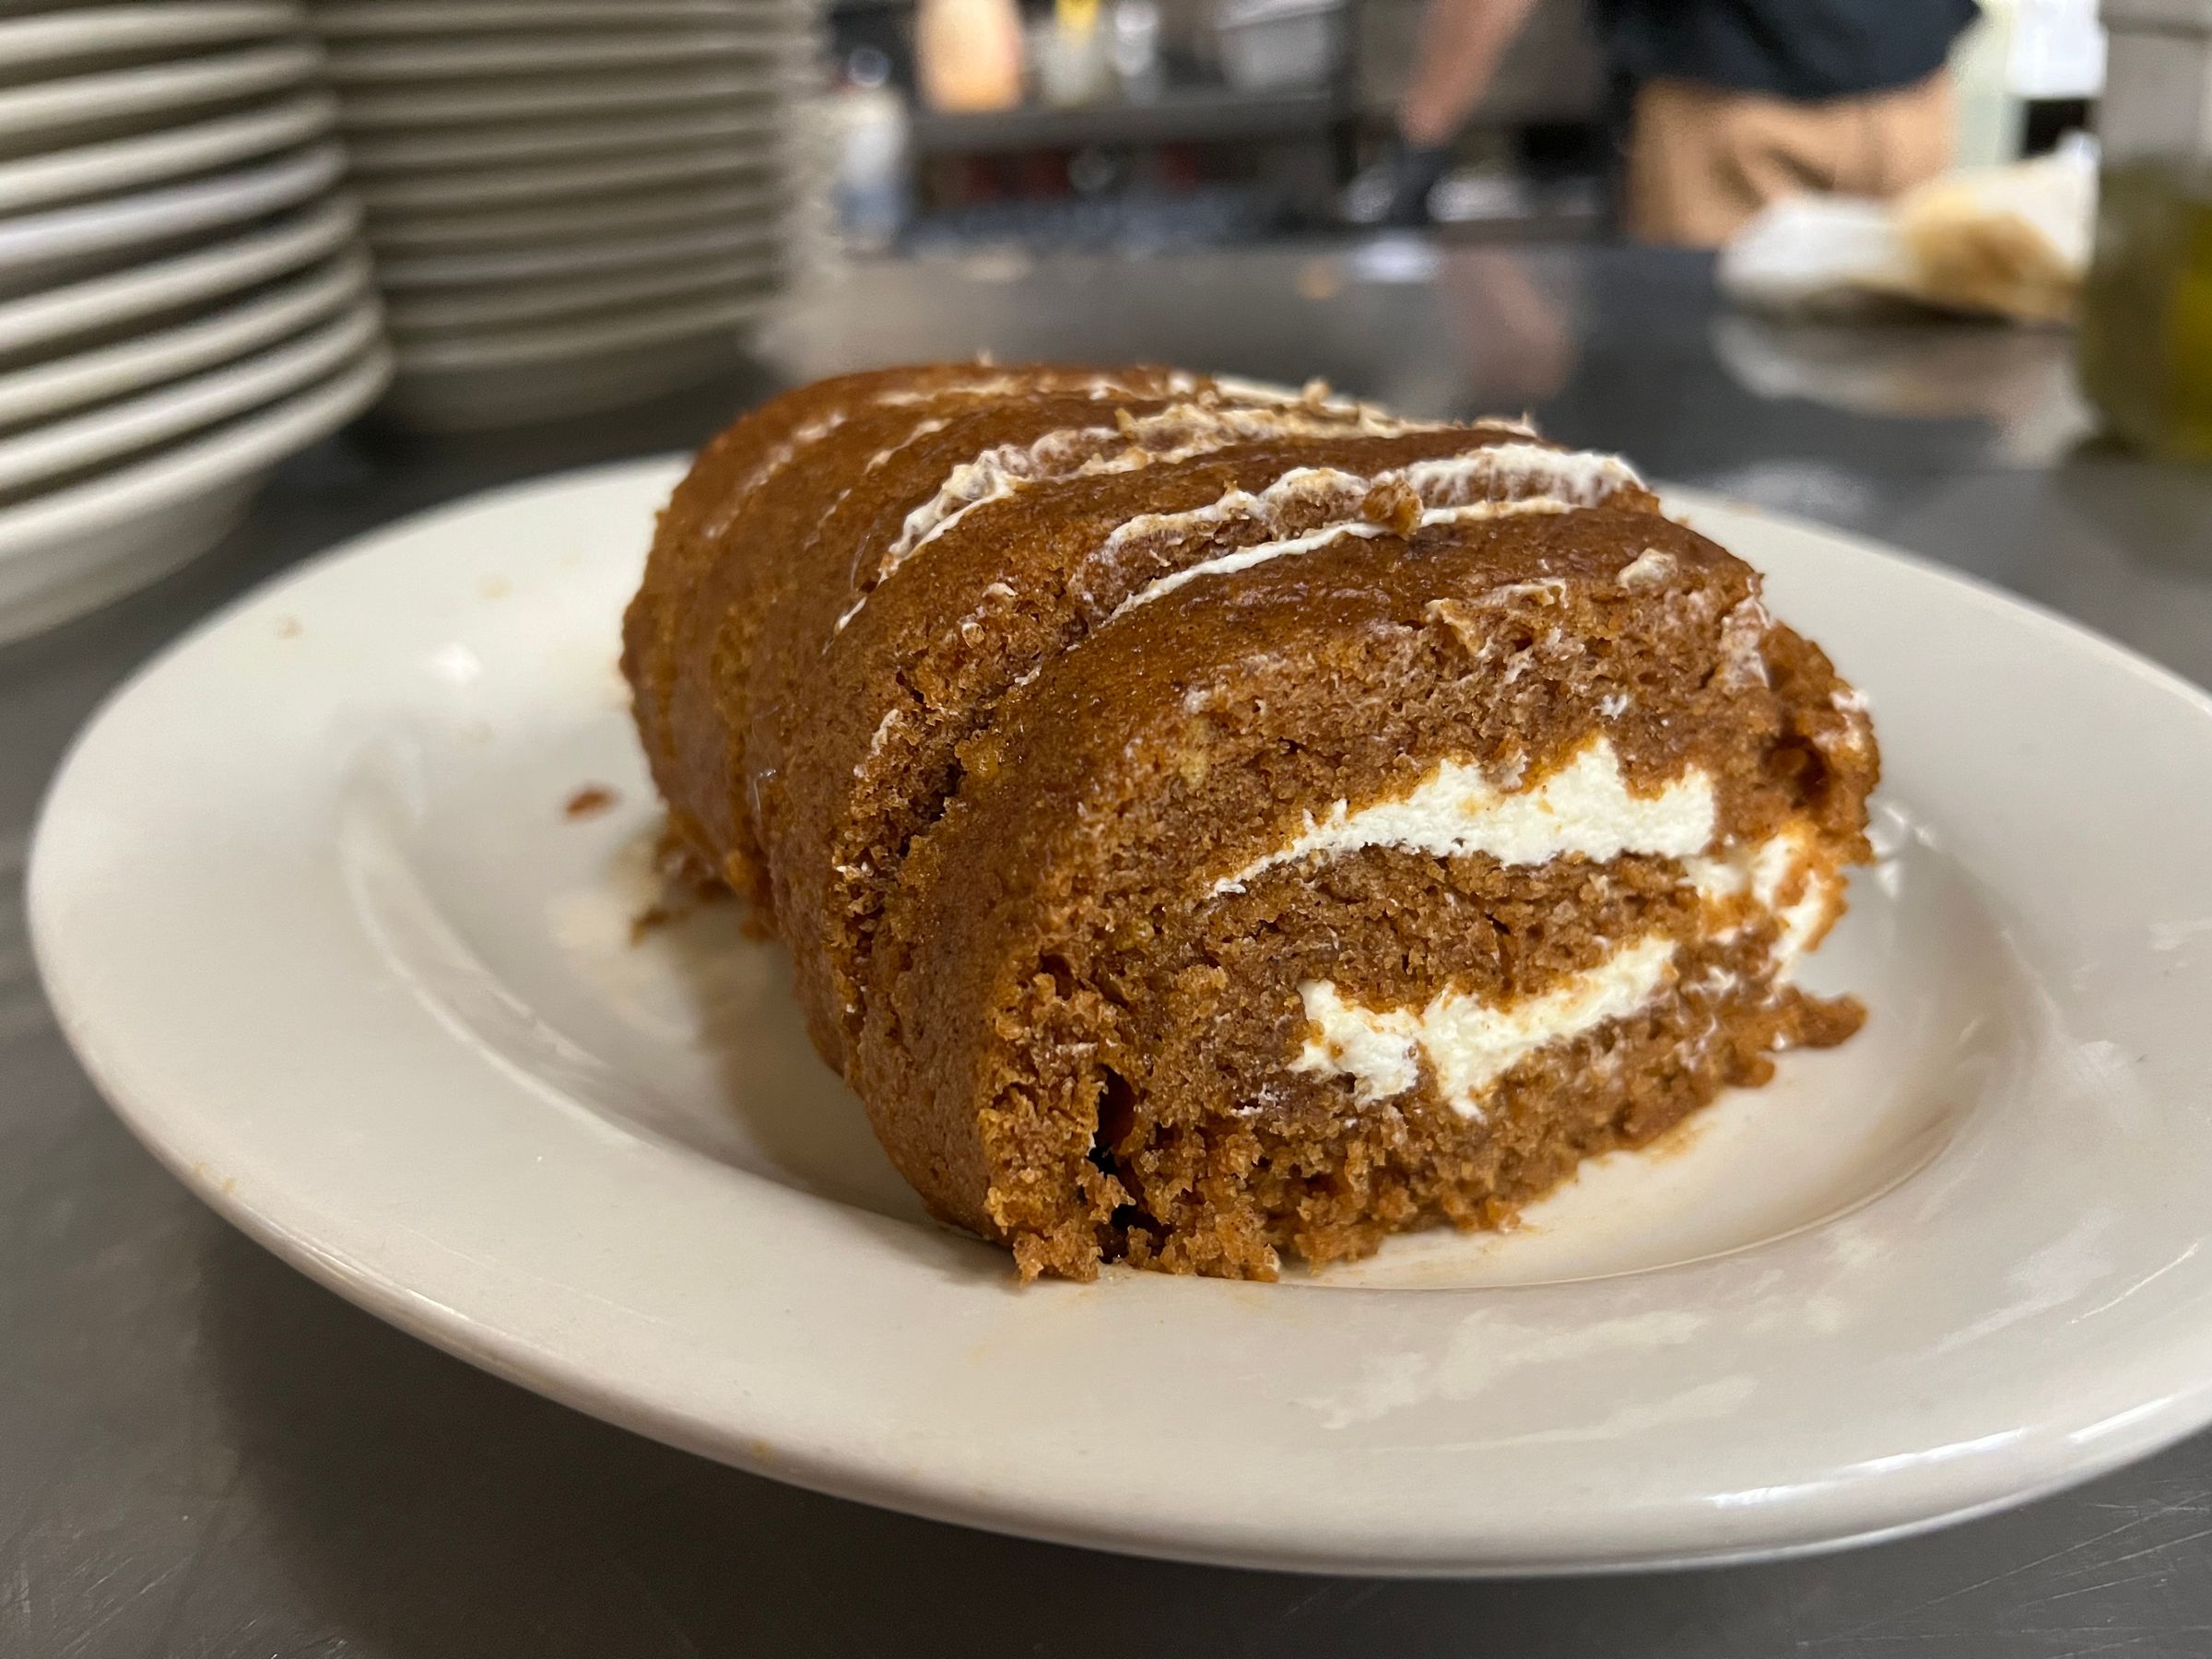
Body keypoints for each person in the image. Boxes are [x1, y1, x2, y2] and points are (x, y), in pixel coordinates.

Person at [1388, 0, 1981, 246]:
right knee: (1886, 395)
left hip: (1730, 126)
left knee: (1711, 416)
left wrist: (1421, 141)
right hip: (1916, 106)